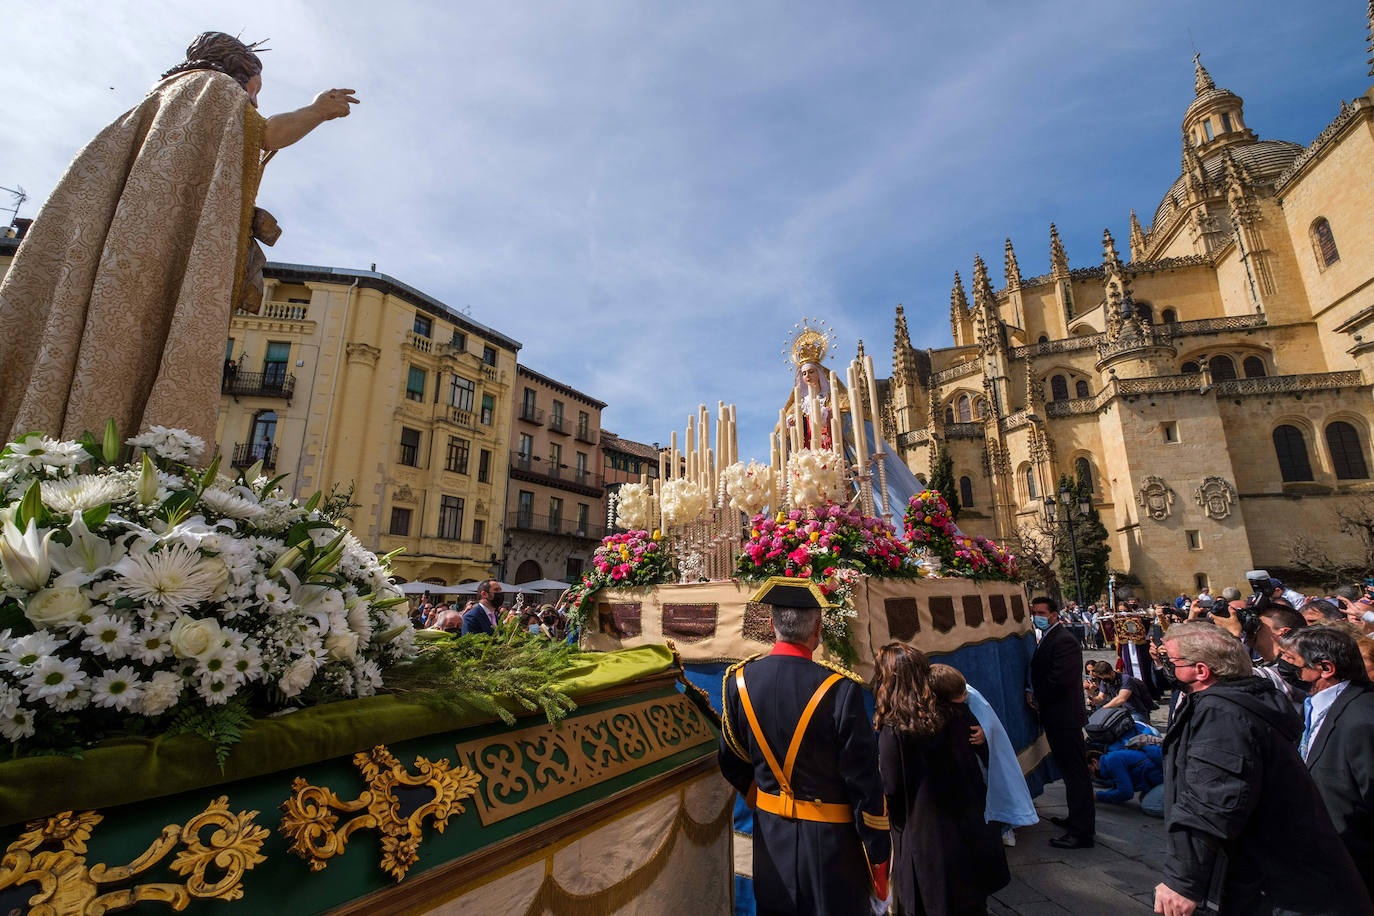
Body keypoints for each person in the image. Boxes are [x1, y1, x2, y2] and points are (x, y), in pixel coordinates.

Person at [0, 32, 358, 447]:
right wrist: (318, 111)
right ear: (236, 73)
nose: (255, 103)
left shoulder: (153, 102)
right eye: (254, 90)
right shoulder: (214, 89)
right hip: (154, 256)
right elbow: (267, 134)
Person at [1154, 621, 1373, 916]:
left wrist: (1182, 881)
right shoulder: (1238, 701)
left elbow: (1211, 799)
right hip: (1272, 877)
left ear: (1201, 671)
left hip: (1291, 890)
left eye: (1172, 661)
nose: (1167, 668)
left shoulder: (1223, 713)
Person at [718, 578, 890, 914]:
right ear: (818, 628)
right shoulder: (840, 689)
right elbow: (864, 784)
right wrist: (878, 854)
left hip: (771, 839)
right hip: (833, 848)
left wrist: (766, 798)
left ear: (772, 626)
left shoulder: (739, 682)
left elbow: (730, 759)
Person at [874, 647, 1008, 916]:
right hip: (968, 829)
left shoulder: (895, 727)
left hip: (925, 836)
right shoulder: (954, 710)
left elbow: (892, 788)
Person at [1280, 627, 1374, 897]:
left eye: (1292, 660)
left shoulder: (1362, 719)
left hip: (1356, 870)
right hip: (1320, 863)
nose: (1284, 667)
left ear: (1325, 668)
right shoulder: (1312, 705)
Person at [1028, 595, 1094, 849]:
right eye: (1035, 612)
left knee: (1076, 774)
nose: (1037, 617)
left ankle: (1081, 832)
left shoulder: (1064, 640)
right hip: (1057, 715)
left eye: (1041, 613)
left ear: (1054, 615)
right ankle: (1075, 820)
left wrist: (1037, 696)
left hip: (1064, 716)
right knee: (1069, 772)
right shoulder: (1050, 636)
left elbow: (1060, 679)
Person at [1087, 660, 1153, 724]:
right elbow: (1101, 697)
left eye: (1105, 678)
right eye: (1101, 678)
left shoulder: (1125, 679)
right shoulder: (1104, 681)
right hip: (1119, 712)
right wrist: (1093, 699)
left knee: (1130, 726)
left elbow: (1121, 699)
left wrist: (1104, 709)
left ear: (1112, 672)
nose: (1103, 680)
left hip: (1135, 712)